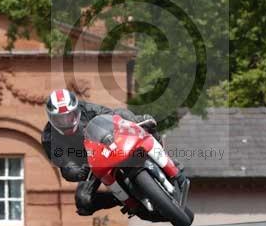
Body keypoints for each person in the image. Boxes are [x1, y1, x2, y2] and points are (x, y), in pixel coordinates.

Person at [41, 88, 184, 218]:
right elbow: (65, 167)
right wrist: (78, 172)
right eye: (60, 119)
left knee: (131, 117)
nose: (66, 122)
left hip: (111, 145)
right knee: (83, 201)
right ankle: (122, 199)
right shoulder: (49, 138)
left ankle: (169, 162)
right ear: (51, 118)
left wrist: (136, 121)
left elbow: (112, 116)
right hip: (91, 165)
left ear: (76, 110)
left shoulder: (87, 109)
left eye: (69, 116)